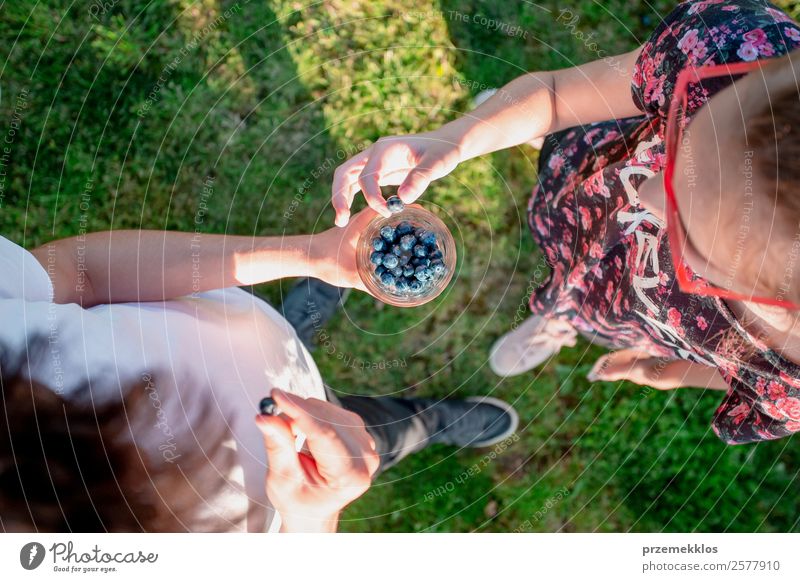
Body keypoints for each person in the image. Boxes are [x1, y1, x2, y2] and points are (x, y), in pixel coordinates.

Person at [330, 0, 800, 444]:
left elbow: (737, 379)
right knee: (561, 169)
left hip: (634, 312)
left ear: (776, 308)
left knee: (586, 308)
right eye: (683, 136)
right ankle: (523, 136)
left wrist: (658, 371)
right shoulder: (731, 59)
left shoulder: (791, 390)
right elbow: (555, 96)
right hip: (585, 185)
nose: (646, 191)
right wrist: (457, 138)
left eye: (685, 221)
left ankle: (558, 318)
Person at [0, 210, 518, 532]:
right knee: (382, 430)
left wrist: (309, 253)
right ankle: (429, 422)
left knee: (288, 336)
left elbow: (80, 274)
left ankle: (305, 308)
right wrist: (313, 513)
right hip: (306, 459)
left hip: (254, 337)